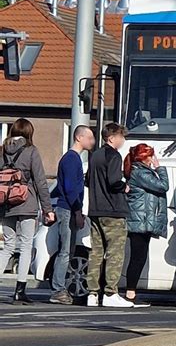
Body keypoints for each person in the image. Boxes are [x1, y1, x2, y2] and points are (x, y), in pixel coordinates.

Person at [0, 119, 54, 304]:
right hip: (26, 201)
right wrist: (48, 208)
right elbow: (40, 181)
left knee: (7, 246)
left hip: (5, 204)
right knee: (25, 246)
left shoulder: (2, 150)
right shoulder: (31, 150)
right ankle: (20, 290)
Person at [86, 123, 133, 308]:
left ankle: (92, 293)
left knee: (96, 252)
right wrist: (125, 186)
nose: (123, 140)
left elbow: (88, 179)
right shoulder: (113, 155)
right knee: (115, 252)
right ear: (112, 138)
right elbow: (114, 181)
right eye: (121, 137)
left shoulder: (95, 155)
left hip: (95, 208)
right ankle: (110, 292)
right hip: (113, 210)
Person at [49, 125, 95, 305]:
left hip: (69, 209)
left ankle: (59, 288)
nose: (92, 141)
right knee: (65, 251)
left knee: (69, 250)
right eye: (89, 138)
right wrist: (77, 211)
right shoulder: (71, 160)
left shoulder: (73, 159)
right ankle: (58, 289)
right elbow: (70, 188)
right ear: (79, 138)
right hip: (67, 210)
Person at [124, 143, 169, 307]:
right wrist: (160, 169)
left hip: (143, 219)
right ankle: (130, 293)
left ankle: (131, 291)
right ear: (143, 157)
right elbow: (163, 186)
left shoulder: (140, 172)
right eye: (150, 156)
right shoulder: (140, 172)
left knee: (139, 257)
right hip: (140, 220)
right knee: (138, 257)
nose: (153, 159)